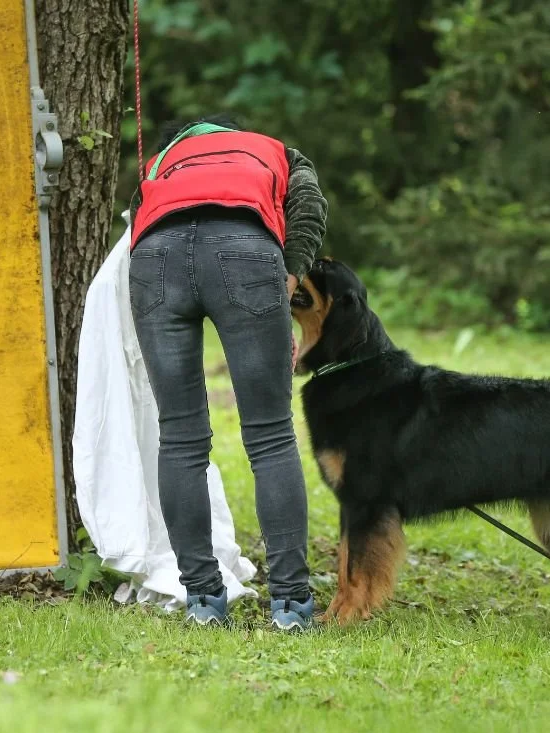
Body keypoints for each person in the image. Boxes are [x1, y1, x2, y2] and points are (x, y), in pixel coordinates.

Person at [127, 115, 327, 630]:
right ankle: (290, 604)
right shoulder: (275, 150)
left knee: (179, 437)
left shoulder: (163, 159)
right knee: (270, 435)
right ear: (234, 136)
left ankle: (202, 599)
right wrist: (286, 279)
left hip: (155, 260)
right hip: (245, 251)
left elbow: (138, 218)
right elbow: (308, 207)